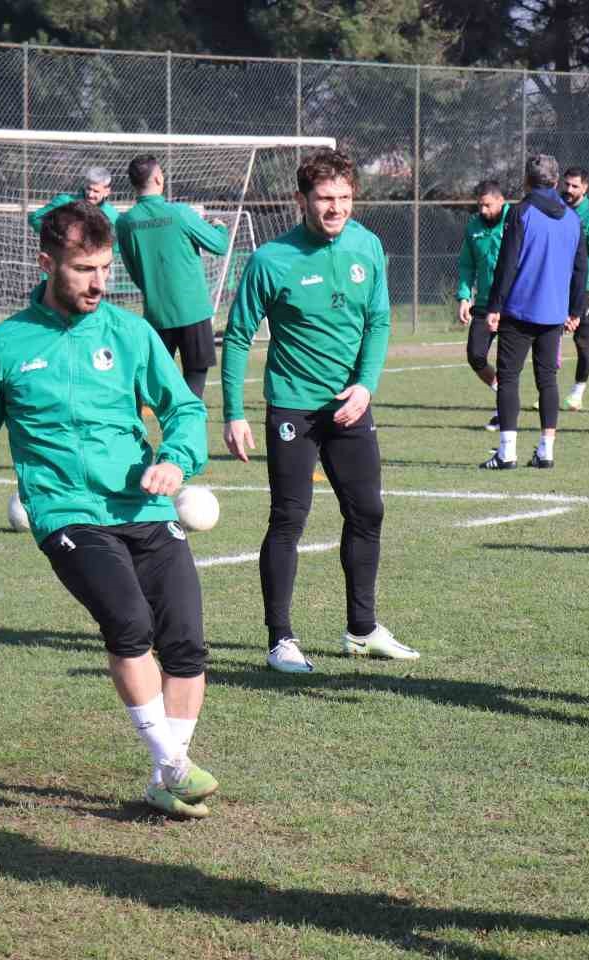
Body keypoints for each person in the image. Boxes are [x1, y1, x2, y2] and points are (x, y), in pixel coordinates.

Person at [0, 201, 219, 820]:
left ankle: (166, 772)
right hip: (67, 512)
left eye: (105, 268)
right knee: (130, 624)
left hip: (143, 505)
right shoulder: (4, 346)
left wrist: (176, 459)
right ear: (47, 262)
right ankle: (174, 765)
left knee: (185, 641)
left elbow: (184, 409)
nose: (99, 283)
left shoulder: (130, 333)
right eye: (84, 269)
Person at [221, 149, 420, 673]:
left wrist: (365, 387)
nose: (336, 208)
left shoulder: (368, 246)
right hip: (292, 405)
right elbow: (238, 336)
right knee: (289, 518)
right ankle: (280, 640)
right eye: (326, 199)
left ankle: (361, 629)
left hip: (349, 406)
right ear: (301, 200)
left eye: (345, 198)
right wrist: (233, 412)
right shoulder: (271, 259)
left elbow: (378, 321)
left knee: (368, 512)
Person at [479, 154, 587, 471]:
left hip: (519, 310)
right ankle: (546, 451)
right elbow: (580, 268)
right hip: (554, 313)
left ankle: (507, 452)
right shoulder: (572, 217)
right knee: (548, 381)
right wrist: (575, 309)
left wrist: (495, 306)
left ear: (526, 181)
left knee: (509, 379)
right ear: (555, 182)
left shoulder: (521, 212)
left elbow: (507, 262)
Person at [113, 155, 231, 398]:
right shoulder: (180, 213)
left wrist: (153, 288)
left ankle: (166, 424)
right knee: (195, 376)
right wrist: (220, 226)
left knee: (159, 380)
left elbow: (133, 269)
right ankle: (188, 426)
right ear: (158, 178)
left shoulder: (125, 222)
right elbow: (219, 245)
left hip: (157, 314)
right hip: (193, 312)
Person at [456, 179, 509, 432]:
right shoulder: (473, 227)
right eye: (480, 206)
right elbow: (467, 265)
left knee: (508, 361)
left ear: (501, 201)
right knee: (476, 356)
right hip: (485, 304)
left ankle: (504, 412)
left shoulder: (515, 221)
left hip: (512, 305)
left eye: (488, 205)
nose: (484, 211)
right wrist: (464, 297)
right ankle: (503, 394)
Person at [559, 166, 589, 412]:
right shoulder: (556, 208)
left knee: (581, 339)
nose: (568, 190)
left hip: (585, 285)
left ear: (585, 188)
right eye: (566, 184)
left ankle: (577, 392)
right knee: (547, 338)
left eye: (574, 186)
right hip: (556, 283)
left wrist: (576, 280)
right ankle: (547, 390)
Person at [28, 165, 121, 234]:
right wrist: (58, 232)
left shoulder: (112, 215)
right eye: (88, 188)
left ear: (107, 192)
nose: (90, 194)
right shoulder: (64, 202)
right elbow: (35, 219)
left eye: (96, 191)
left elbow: (116, 248)